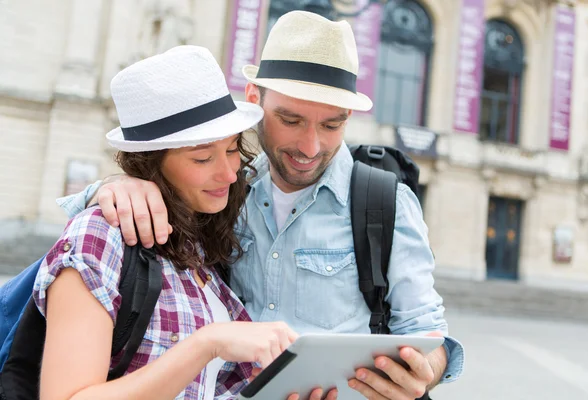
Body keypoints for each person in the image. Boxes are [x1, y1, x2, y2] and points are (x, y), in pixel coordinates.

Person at [61, 11, 465, 400]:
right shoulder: (224, 193)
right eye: (290, 120)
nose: (311, 147)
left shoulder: (384, 202)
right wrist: (113, 187)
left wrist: (422, 373)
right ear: (254, 98)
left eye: (332, 125)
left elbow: (427, 332)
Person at [33, 45, 315, 400]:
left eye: (231, 149)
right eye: (201, 158)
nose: (229, 173)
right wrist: (208, 344)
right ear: (151, 162)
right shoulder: (99, 236)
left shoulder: (200, 244)